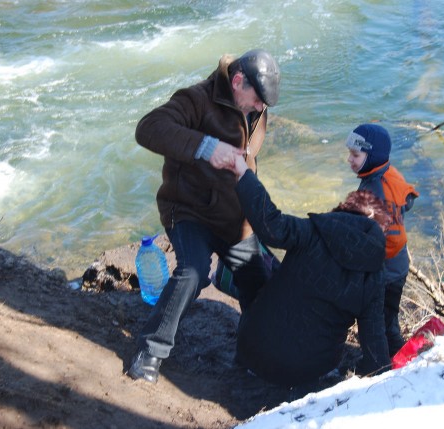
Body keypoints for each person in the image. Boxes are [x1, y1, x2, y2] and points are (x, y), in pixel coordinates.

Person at [127, 48, 281, 384]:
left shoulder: (258, 109)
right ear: (237, 81)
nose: (260, 108)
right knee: (193, 271)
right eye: (257, 99)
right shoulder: (196, 99)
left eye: (265, 103)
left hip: (234, 217)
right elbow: (148, 128)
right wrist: (206, 147)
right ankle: (150, 350)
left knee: (262, 282)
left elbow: (250, 159)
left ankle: (250, 354)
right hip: (188, 208)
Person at [222, 154, 393, 392]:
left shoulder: (312, 231)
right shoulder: (374, 276)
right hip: (303, 374)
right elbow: (375, 347)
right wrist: (384, 379)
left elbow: (270, 225)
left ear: (343, 209)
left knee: (270, 278)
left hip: (251, 351)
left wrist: (243, 174)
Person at [345, 123, 419, 357]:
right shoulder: (389, 174)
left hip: (384, 272)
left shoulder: (373, 191)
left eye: (355, 155)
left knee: (376, 323)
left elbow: (364, 234)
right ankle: (397, 356)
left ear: (372, 156)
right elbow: (407, 201)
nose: (349, 159)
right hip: (398, 267)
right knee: (388, 318)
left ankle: (380, 365)